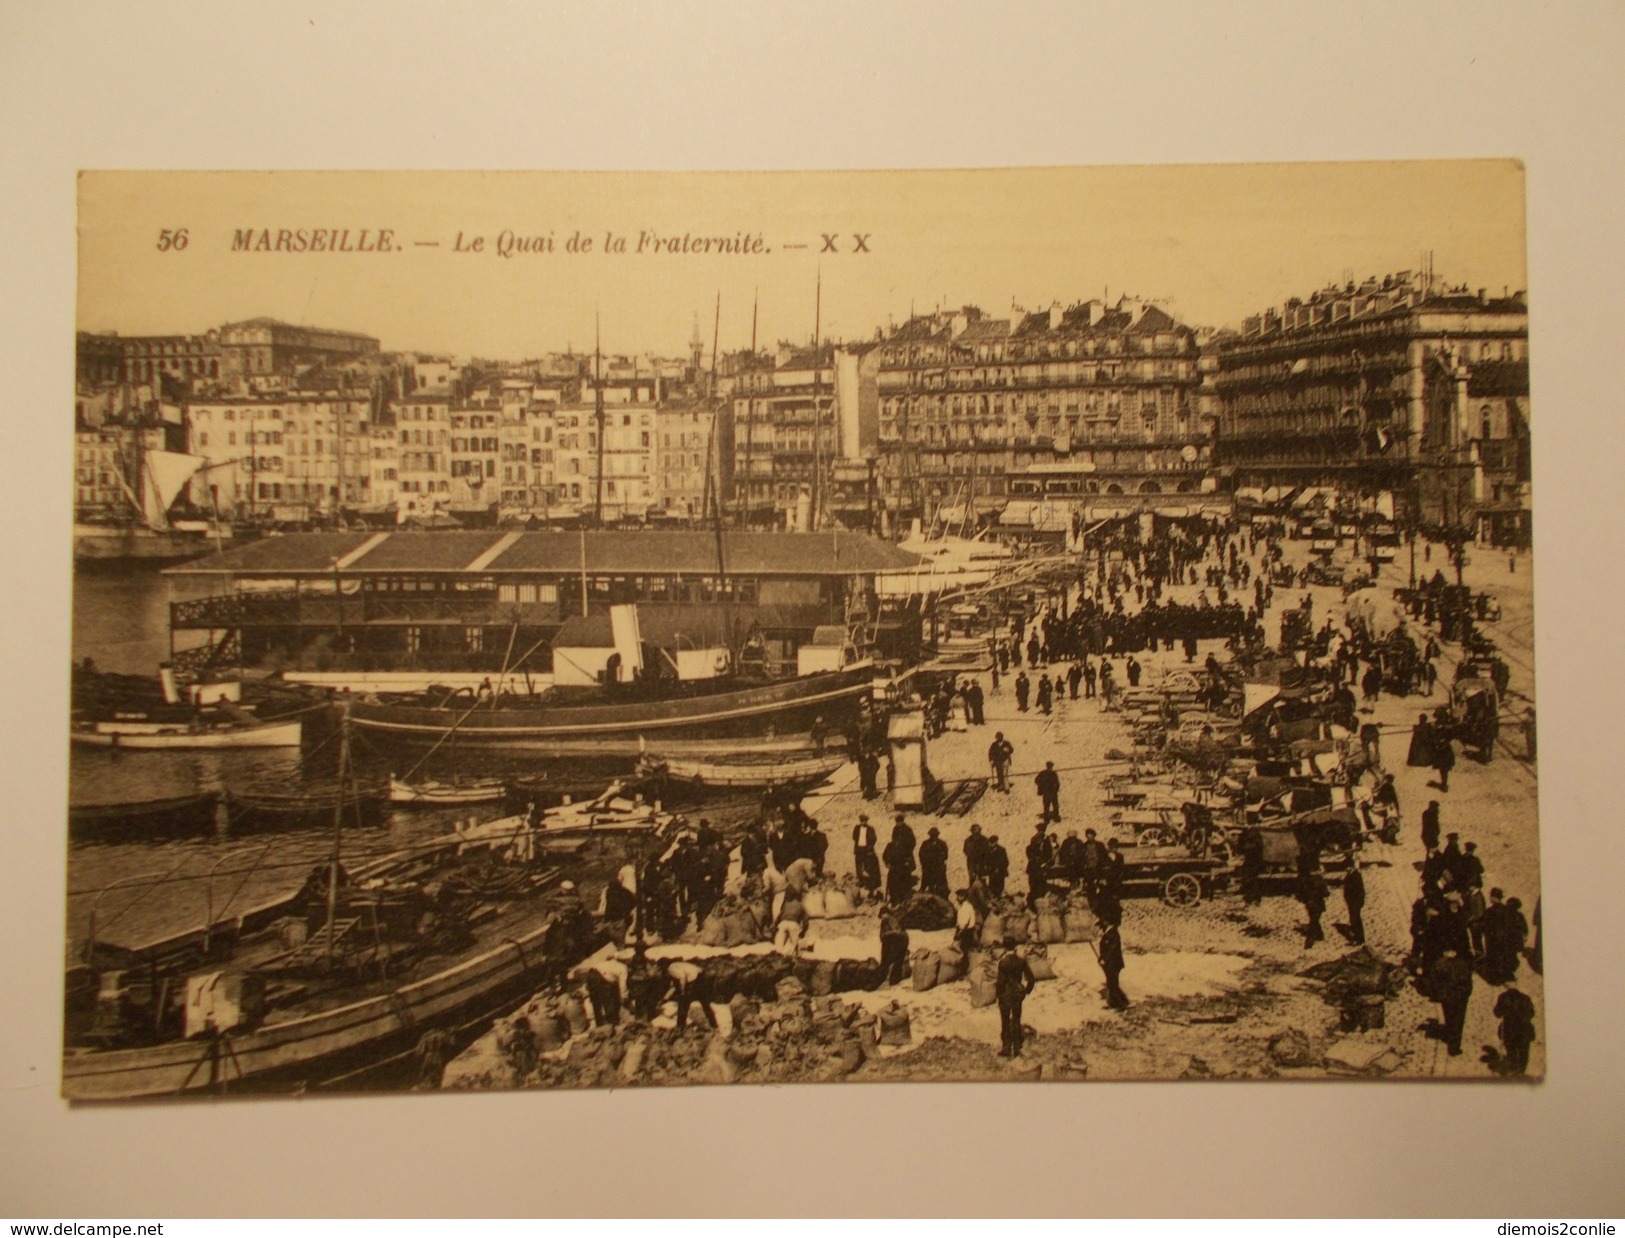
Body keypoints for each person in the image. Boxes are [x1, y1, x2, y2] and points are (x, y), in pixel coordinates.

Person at [1427, 946, 1474, 1056]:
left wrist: (1440, 993)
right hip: (1460, 998)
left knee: (1449, 1017)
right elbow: (1468, 982)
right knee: (1459, 1021)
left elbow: (1433, 981)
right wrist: (1466, 994)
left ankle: (1450, 1036)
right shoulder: (1462, 964)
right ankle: (1454, 1046)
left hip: (1446, 997)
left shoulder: (1439, 964)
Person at [995, 938, 1038, 1057]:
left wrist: (998, 995)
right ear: (1015, 948)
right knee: (1016, 1019)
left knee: (1005, 1021)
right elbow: (1031, 979)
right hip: (1017, 994)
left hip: (1005, 994)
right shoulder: (1021, 961)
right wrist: (1026, 991)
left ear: (1004, 948)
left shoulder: (1003, 963)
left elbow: (1000, 982)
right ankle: (1017, 1046)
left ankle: (1007, 1047)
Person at [1481, 890, 1529, 984]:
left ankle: (1497, 978)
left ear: (1493, 898)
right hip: (1505, 939)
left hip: (1492, 939)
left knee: (1494, 958)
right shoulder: (1507, 910)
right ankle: (1507, 975)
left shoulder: (1488, 911)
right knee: (1505, 957)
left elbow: (1484, 927)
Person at [1494, 987, 1537, 1076]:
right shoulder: (1525, 998)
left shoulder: (1503, 997)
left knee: (1512, 1052)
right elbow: (1531, 1013)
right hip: (1521, 1030)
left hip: (1511, 1030)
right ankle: (1520, 1072)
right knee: (1522, 1054)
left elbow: (1497, 1013)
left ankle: (1516, 1071)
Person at [666, 958, 718, 1032]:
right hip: (701, 976)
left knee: (683, 1003)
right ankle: (714, 1024)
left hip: (695, 979)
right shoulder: (678, 965)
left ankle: (680, 1027)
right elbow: (673, 987)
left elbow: (682, 977)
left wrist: (683, 991)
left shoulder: (671, 968)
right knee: (705, 1002)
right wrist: (665, 997)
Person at [1097, 914, 1129, 1010]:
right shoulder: (1109, 932)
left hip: (1114, 963)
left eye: (1103, 922)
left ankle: (1120, 1004)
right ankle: (1117, 1002)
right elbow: (1105, 948)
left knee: (1112, 983)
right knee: (1112, 983)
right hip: (1110, 962)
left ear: (1107, 921)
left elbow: (1112, 949)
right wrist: (1101, 958)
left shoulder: (1113, 932)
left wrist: (1104, 958)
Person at [882, 824, 917, 904]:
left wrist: (908, 863)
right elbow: (885, 855)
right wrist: (887, 863)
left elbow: (909, 856)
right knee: (893, 885)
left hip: (903, 868)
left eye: (900, 837)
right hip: (893, 868)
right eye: (896, 837)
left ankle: (903, 899)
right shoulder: (890, 845)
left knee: (904, 885)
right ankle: (894, 899)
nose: (898, 839)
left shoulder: (905, 846)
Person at [878, 902, 910, 986]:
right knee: (898, 960)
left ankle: (881, 977)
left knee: (886, 960)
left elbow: (882, 936)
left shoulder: (885, 920)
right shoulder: (895, 918)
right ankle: (894, 980)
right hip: (904, 939)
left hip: (893, 938)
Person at [1297, 865, 1329, 948]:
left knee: (1313, 920)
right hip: (1318, 904)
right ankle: (1316, 937)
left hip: (1310, 904)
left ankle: (1313, 939)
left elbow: (1302, 893)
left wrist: (1306, 900)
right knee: (1314, 920)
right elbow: (1326, 893)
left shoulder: (1306, 880)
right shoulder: (1320, 881)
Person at [852, 814, 881, 894]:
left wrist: (869, 848)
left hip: (866, 849)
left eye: (864, 821)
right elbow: (854, 837)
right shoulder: (857, 828)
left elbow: (874, 839)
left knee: (867, 866)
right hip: (859, 849)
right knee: (858, 865)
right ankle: (860, 880)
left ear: (866, 821)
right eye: (861, 821)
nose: (863, 822)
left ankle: (867, 882)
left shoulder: (870, 829)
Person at [1025, 825, 1052, 909]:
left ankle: (1037, 903)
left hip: (1038, 866)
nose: (1041, 832)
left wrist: (1043, 860)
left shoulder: (1044, 839)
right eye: (1040, 830)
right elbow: (1029, 850)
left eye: (1042, 830)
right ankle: (1035, 904)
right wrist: (1036, 858)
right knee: (1036, 885)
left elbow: (1048, 852)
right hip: (1036, 866)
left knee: (1038, 884)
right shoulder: (1039, 839)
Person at [919, 827, 950, 899]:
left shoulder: (942, 844)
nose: (933, 837)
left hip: (938, 867)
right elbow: (921, 854)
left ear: (937, 835)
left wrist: (939, 861)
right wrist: (925, 863)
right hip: (928, 867)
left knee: (941, 884)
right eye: (932, 835)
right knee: (928, 883)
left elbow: (945, 855)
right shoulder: (925, 843)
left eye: (935, 835)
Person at [1237, 827, 1265, 906]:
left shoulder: (1255, 833)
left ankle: (1254, 899)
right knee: (1248, 879)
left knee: (1252, 879)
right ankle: (1251, 899)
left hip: (1255, 860)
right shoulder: (1246, 833)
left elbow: (1258, 847)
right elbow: (1240, 847)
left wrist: (1244, 848)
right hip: (1249, 860)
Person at [1343, 864, 1367, 946]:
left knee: (1356, 921)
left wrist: (1359, 903)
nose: (1346, 869)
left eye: (1348, 867)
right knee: (1353, 920)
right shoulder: (1350, 875)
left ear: (1352, 867)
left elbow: (1361, 892)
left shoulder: (1356, 876)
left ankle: (1359, 939)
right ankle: (1356, 937)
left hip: (1355, 903)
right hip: (1351, 902)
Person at [953, 888, 980, 955]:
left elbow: (965, 923)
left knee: (964, 951)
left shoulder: (966, 907)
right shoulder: (963, 906)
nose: (957, 898)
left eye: (958, 896)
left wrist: (959, 933)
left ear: (963, 896)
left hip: (966, 932)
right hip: (965, 931)